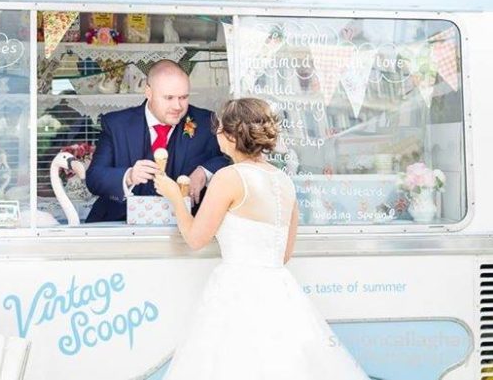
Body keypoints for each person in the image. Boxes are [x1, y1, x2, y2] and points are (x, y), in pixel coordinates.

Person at [154, 98, 370, 379]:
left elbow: (195, 238)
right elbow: (284, 254)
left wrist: (175, 197)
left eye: (218, 129)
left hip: (236, 291)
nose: (216, 135)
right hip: (279, 290)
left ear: (231, 135)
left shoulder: (229, 177)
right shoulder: (283, 181)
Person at [85, 60, 228, 223]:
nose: (178, 106)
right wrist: (129, 176)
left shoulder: (205, 122)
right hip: (121, 223)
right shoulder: (116, 124)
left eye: (183, 97)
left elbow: (231, 159)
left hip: (185, 226)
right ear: (149, 93)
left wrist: (205, 171)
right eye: (169, 98)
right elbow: (94, 177)